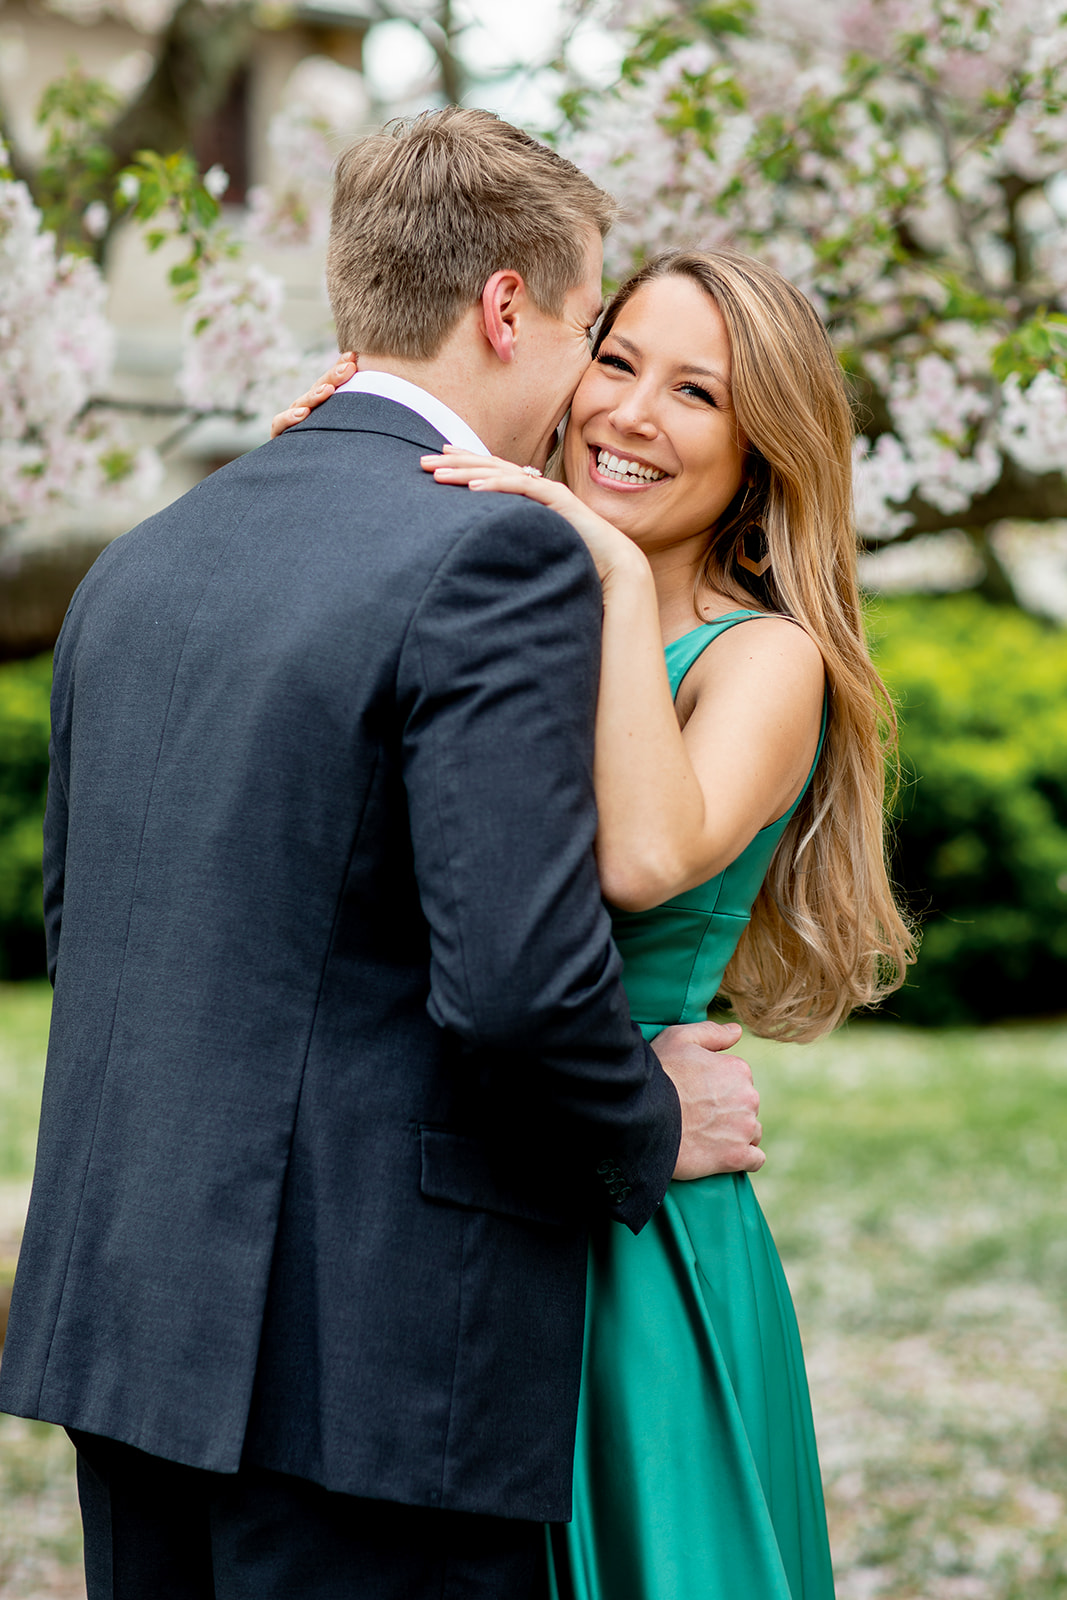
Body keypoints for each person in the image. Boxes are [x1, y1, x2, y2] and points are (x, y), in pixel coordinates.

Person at [0, 114, 767, 1600]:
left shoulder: (144, 558)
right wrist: (646, 1127)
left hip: (131, 1334)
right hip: (376, 1365)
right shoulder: (495, 552)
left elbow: (85, 931)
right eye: (589, 327)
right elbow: (521, 991)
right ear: (503, 307)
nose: (590, 384)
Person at [280, 247, 915, 1598]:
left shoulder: (762, 658)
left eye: (697, 393)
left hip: (641, 1224)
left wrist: (619, 577)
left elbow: (643, 854)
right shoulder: (495, 602)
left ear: (760, 451)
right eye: (618, 361)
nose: (631, 412)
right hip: (459, 1188)